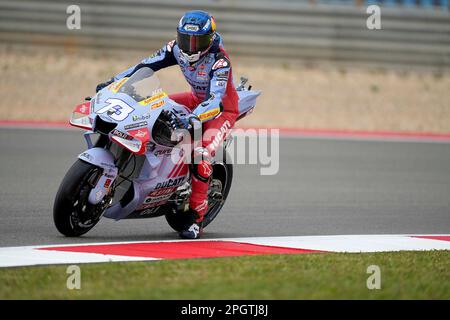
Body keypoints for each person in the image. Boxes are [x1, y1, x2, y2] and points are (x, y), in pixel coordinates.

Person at [96, 10, 239, 239]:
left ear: (210, 39)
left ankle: (196, 219)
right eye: (186, 39)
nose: (190, 47)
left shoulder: (220, 61)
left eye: (198, 41)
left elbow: (215, 99)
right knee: (148, 107)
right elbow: (144, 66)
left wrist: (195, 118)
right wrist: (114, 82)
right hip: (194, 98)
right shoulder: (174, 48)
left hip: (221, 110)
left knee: (200, 155)